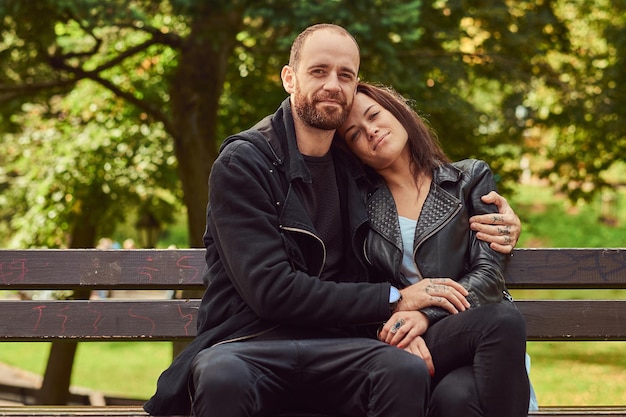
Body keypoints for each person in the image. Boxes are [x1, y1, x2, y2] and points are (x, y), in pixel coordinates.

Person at [144, 24, 521, 417]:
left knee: (402, 369)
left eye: (346, 75)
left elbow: (426, 189)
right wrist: (394, 301)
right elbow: (272, 291)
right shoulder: (245, 163)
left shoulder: (354, 170)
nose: (333, 85)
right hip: (249, 340)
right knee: (223, 376)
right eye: (318, 71)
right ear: (290, 78)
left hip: (341, 342)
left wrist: (505, 220)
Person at [337, 81, 531, 417]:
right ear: (354, 153)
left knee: (456, 398)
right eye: (354, 134)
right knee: (503, 321)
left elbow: (487, 276)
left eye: (374, 115)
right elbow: (355, 284)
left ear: (397, 111)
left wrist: (423, 315)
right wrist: (398, 322)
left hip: (475, 333)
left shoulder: (469, 179)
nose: (371, 131)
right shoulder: (357, 208)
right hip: (405, 344)